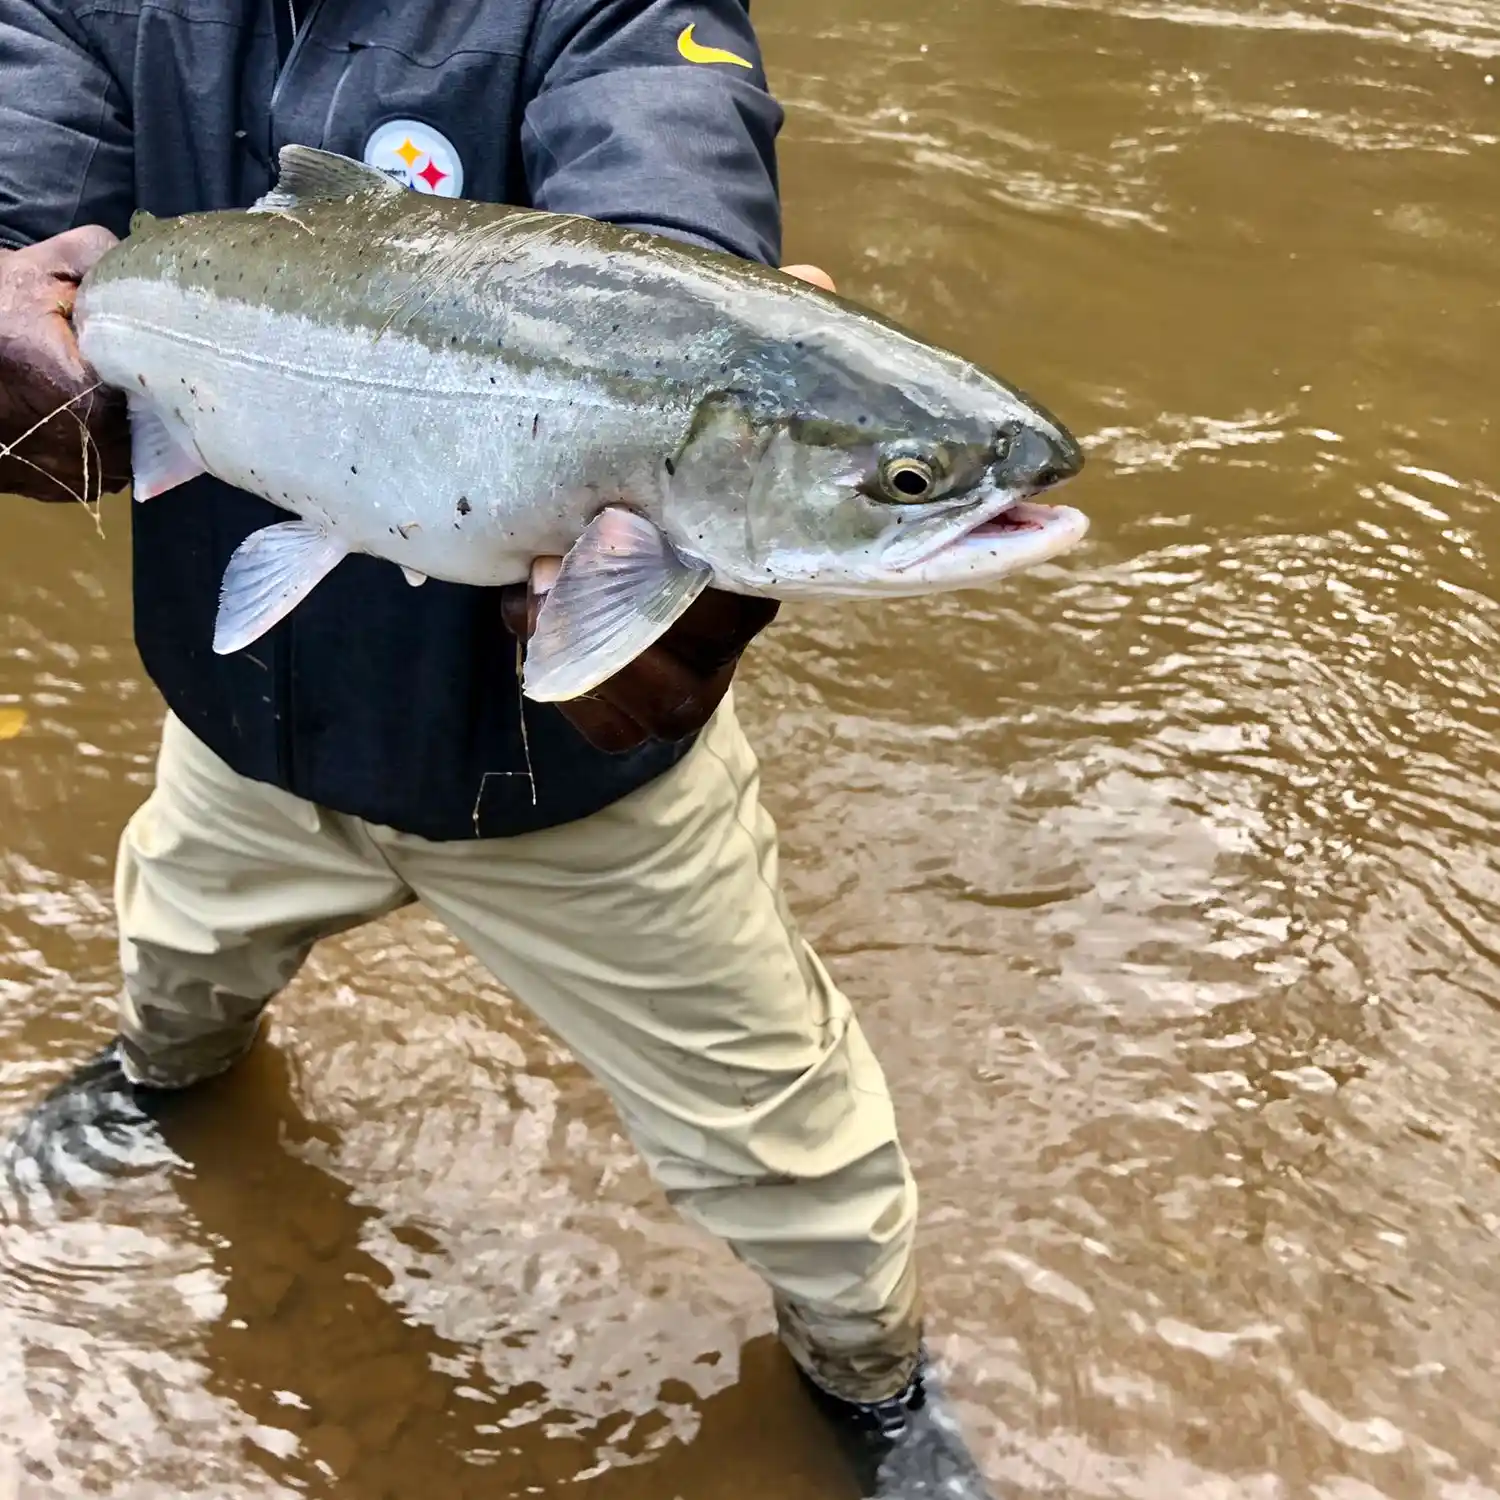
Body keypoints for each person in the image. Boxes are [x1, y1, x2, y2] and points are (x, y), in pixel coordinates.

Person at [0, 1, 993, 1492]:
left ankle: (875, 1386)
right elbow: (28, 107)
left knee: (790, 1145)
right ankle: (160, 1087)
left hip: (574, 781)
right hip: (249, 718)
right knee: (178, 956)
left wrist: (700, 345)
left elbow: (668, 177)